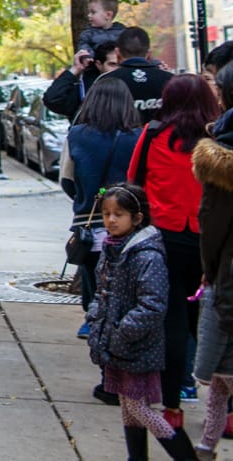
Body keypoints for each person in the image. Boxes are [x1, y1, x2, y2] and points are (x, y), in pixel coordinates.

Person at [129, 74, 223, 433]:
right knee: (216, 325)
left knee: (173, 323)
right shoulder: (216, 141)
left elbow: (134, 182)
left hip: (164, 239)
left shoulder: (153, 135)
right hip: (208, 242)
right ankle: (224, 411)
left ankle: (171, 408)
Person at [86, 183, 198, 459]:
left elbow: (152, 305)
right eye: (107, 213)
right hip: (117, 344)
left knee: (137, 407)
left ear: (137, 218)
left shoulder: (147, 255)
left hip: (137, 346)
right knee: (128, 405)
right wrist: (96, 317)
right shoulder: (112, 249)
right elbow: (102, 292)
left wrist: (121, 333)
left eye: (119, 214)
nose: (111, 220)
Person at [61, 77, 143, 375]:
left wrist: (87, 200)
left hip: (89, 224)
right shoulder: (138, 136)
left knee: (96, 293)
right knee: (126, 297)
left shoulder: (77, 135)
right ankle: (123, 365)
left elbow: (67, 180)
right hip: (129, 229)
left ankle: (105, 365)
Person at [192, 86, 233, 458]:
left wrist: (209, 270)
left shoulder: (221, 157)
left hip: (229, 271)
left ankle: (207, 445)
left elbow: (213, 222)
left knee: (222, 375)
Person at [111, 27, 177, 124]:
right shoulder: (172, 80)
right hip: (161, 137)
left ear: (117, 53)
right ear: (149, 54)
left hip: (121, 138)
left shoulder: (107, 80)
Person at [46, 40, 122, 123]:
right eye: (113, 64)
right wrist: (75, 69)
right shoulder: (85, 90)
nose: (118, 70)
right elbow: (52, 99)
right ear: (99, 64)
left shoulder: (133, 85)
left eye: (121, 65)